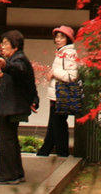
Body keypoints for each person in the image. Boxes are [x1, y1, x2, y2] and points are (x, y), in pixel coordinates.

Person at [0, 29, 38, 186]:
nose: (2, 46)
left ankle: (9, 175)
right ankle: (16, 173)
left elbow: (17, 70)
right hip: (11, 106)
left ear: (15, 45)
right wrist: (34, 99)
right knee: (10, 139)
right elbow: (29, 83)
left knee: (6, 140)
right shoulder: (18, 59)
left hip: (11, 107)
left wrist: (5, 65)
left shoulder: (19, 60)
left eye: (6, 43)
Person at [36, 25, 78, 157]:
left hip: (61, 95)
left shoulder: (69, 53)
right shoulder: (61, 52)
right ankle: (46, 150)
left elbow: (72, 76)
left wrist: (54, 72)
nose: (58, 40)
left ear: (68, 39)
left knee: (58, 124)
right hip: (56, 94)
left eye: (62, 37)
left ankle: (61, 152)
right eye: (57, 37)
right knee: (55, 123)